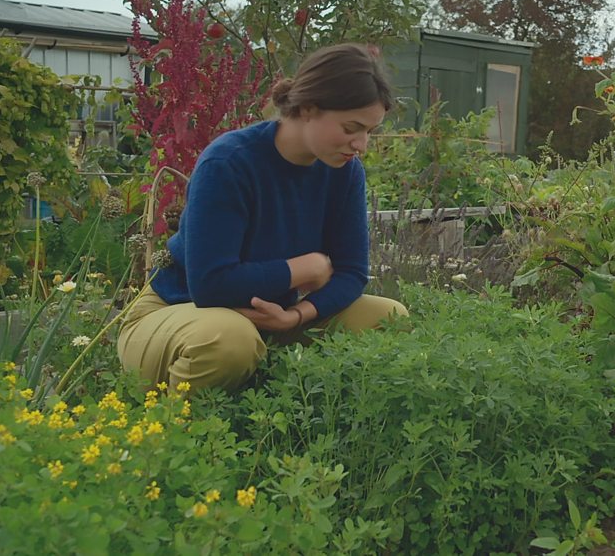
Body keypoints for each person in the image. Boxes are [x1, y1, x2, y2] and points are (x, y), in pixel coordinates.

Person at [119, 44, 408, 391]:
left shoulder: (344, 171)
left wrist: (297, 316)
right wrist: (309, 267)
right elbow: (211, 285)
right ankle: (177, 432)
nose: (361, 144)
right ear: (308, 108)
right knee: (230, 339)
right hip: (179, 312)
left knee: (388, 317)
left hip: (269, 319)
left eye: (369, 132)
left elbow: (352, 272)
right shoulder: (229, 163)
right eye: (351, 128)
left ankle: (300, 415)